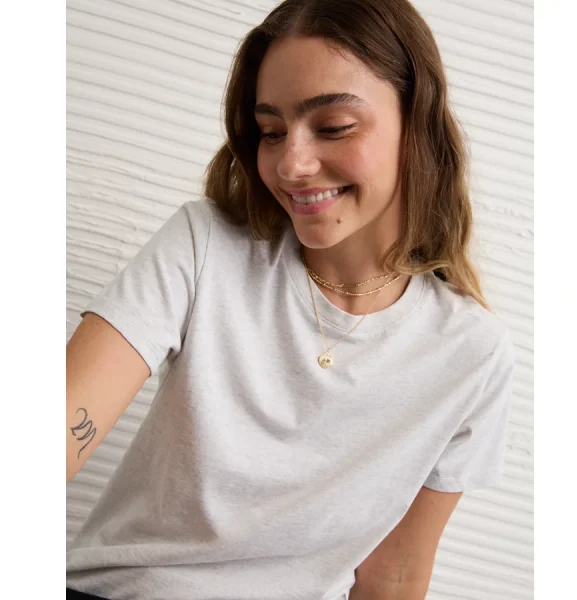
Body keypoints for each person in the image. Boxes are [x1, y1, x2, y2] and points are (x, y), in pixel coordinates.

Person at [66, 0, 515, 599]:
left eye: (334, 127)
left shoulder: (473, 354)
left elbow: (394, 576)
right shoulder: (205, 246)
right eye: (272, 132)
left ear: (418, 124)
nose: (292, 165)